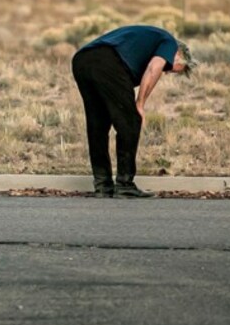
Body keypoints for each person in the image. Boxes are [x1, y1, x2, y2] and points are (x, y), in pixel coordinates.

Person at [71, 25, 198, 198]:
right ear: (179, 54)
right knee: (131, 121)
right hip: (107, 61)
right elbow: (154, 69)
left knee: (98, 124)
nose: (167, 72)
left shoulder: (148, 42)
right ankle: (124, 185)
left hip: (82, 60)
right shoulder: (169, 43)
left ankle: (103, 185)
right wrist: (140, 104)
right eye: (171, 68)